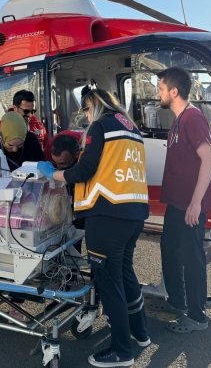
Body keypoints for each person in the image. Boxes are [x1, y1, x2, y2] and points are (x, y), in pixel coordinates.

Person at [36, 88, 150, 367]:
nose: (85, 116)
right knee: (125, 275)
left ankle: (122, 352)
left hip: (107, 214)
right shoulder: (130, 128)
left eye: (86, 110)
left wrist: (54, 174)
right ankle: (140, 333)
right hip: (132, 214)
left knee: (109, 284)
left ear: (94, 107)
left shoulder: (99, 127)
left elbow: (84, 171)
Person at [148, 67, 211, 334]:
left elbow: (208, 159)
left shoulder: (192, 118)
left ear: (173, 92)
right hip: (176, 204)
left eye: (161, 88)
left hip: (189, 206)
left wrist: (196, 203)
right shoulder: (178, 120)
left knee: (192, 258)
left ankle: (197, 317)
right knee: (170, 251)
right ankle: (178, 302)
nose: (159, 93)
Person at [0, 111, 44, 321]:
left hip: (26, 200)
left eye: (19, 145)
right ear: (2, 138)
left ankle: (17, 301)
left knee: (21, 252)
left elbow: (39, 173)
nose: (15, 149)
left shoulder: (32, 141)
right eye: (10, 146)